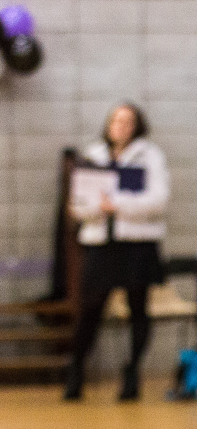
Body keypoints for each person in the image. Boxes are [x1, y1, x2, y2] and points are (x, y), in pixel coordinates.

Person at [64, 103, 170, 402]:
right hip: (100, 242)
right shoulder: (93, 155)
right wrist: (95, 208)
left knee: (138, 308)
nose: (121, 127)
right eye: (116, 121)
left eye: (128, 121)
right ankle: (76, 369)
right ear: (109, 125)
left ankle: (132, 371)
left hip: (137, 244)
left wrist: (119, 205)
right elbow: (77, 205)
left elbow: (159, 200)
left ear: (137, 126)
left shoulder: (150, 156)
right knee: (90, 308)